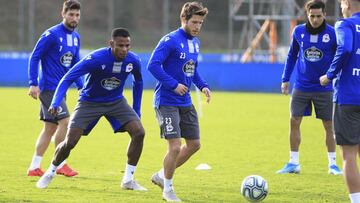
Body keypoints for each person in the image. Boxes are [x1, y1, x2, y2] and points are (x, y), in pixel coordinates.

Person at [36, 28, 147, 191]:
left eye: (127, 45)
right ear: (111, 44)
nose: (124, 49)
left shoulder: (133, 61)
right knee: (70, 141)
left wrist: (137, 109)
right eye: (120, 45)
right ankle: (51, 171)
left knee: (139, 132)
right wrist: (55, 101)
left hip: (116, 101)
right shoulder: (95, 59)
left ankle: (128, 180)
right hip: (89, 102)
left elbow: (138, 82)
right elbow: (68, 78)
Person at [147, 2, 211, 202]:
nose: (197, 26)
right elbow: (153, 65)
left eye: (200, 23)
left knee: (194, 145)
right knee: (174, 146)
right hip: (166, 101)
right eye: (194, 22)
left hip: (185, 101)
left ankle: (160, 175)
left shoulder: (196, 43)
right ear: (183, 19)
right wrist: (173, 84)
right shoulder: (170, 40)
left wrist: (202, 85)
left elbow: (192, 68)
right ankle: (168, 189)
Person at [277, 0, 342, 175]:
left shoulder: (333, 34)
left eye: (318, 16)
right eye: (312, 16)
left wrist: (332, 77)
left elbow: (340, 58)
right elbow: (292, 56)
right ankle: (293, 162)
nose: (315, 19)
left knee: (329, 125)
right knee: (294, 121)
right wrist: (285, 79)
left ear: (325, 15)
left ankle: (333, 164)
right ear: (307, 15)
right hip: (302, 86)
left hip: (324, 88)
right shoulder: (298, 32)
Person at [27, 0, 83, 177]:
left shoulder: (76, 37)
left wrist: (81, 85)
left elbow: (75, 62)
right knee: (65, 123)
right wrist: (33, 83)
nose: (74, 18)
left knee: (50, 129)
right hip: (49, 88)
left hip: (61, 89)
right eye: (71, 14)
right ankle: (60, 163)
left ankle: (34, 167)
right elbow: (35, 57)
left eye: (77, 15)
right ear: (63, 13)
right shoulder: (51, 34)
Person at [320, 0, 360, 202]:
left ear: (347, 4)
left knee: (349, 155)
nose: (342, 9)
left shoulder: (345, 24)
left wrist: (329, 74)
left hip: (349, 97)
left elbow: (345, 49)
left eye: (342, 5)